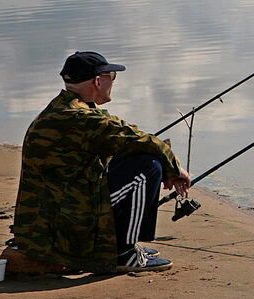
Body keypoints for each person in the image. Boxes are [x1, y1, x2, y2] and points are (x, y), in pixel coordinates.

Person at [11, 51, 191, 273]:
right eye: (112, 76)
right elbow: (137, 138)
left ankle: (120, 245)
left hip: (51, 220)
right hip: (66, 225)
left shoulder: (64, 109)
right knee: (148, 167)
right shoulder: (80, 118)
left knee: (142, 157)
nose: (113, 82)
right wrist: (174, 168)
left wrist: (168, 164)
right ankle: (124, 253)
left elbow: (122, 131)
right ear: (98, 81)